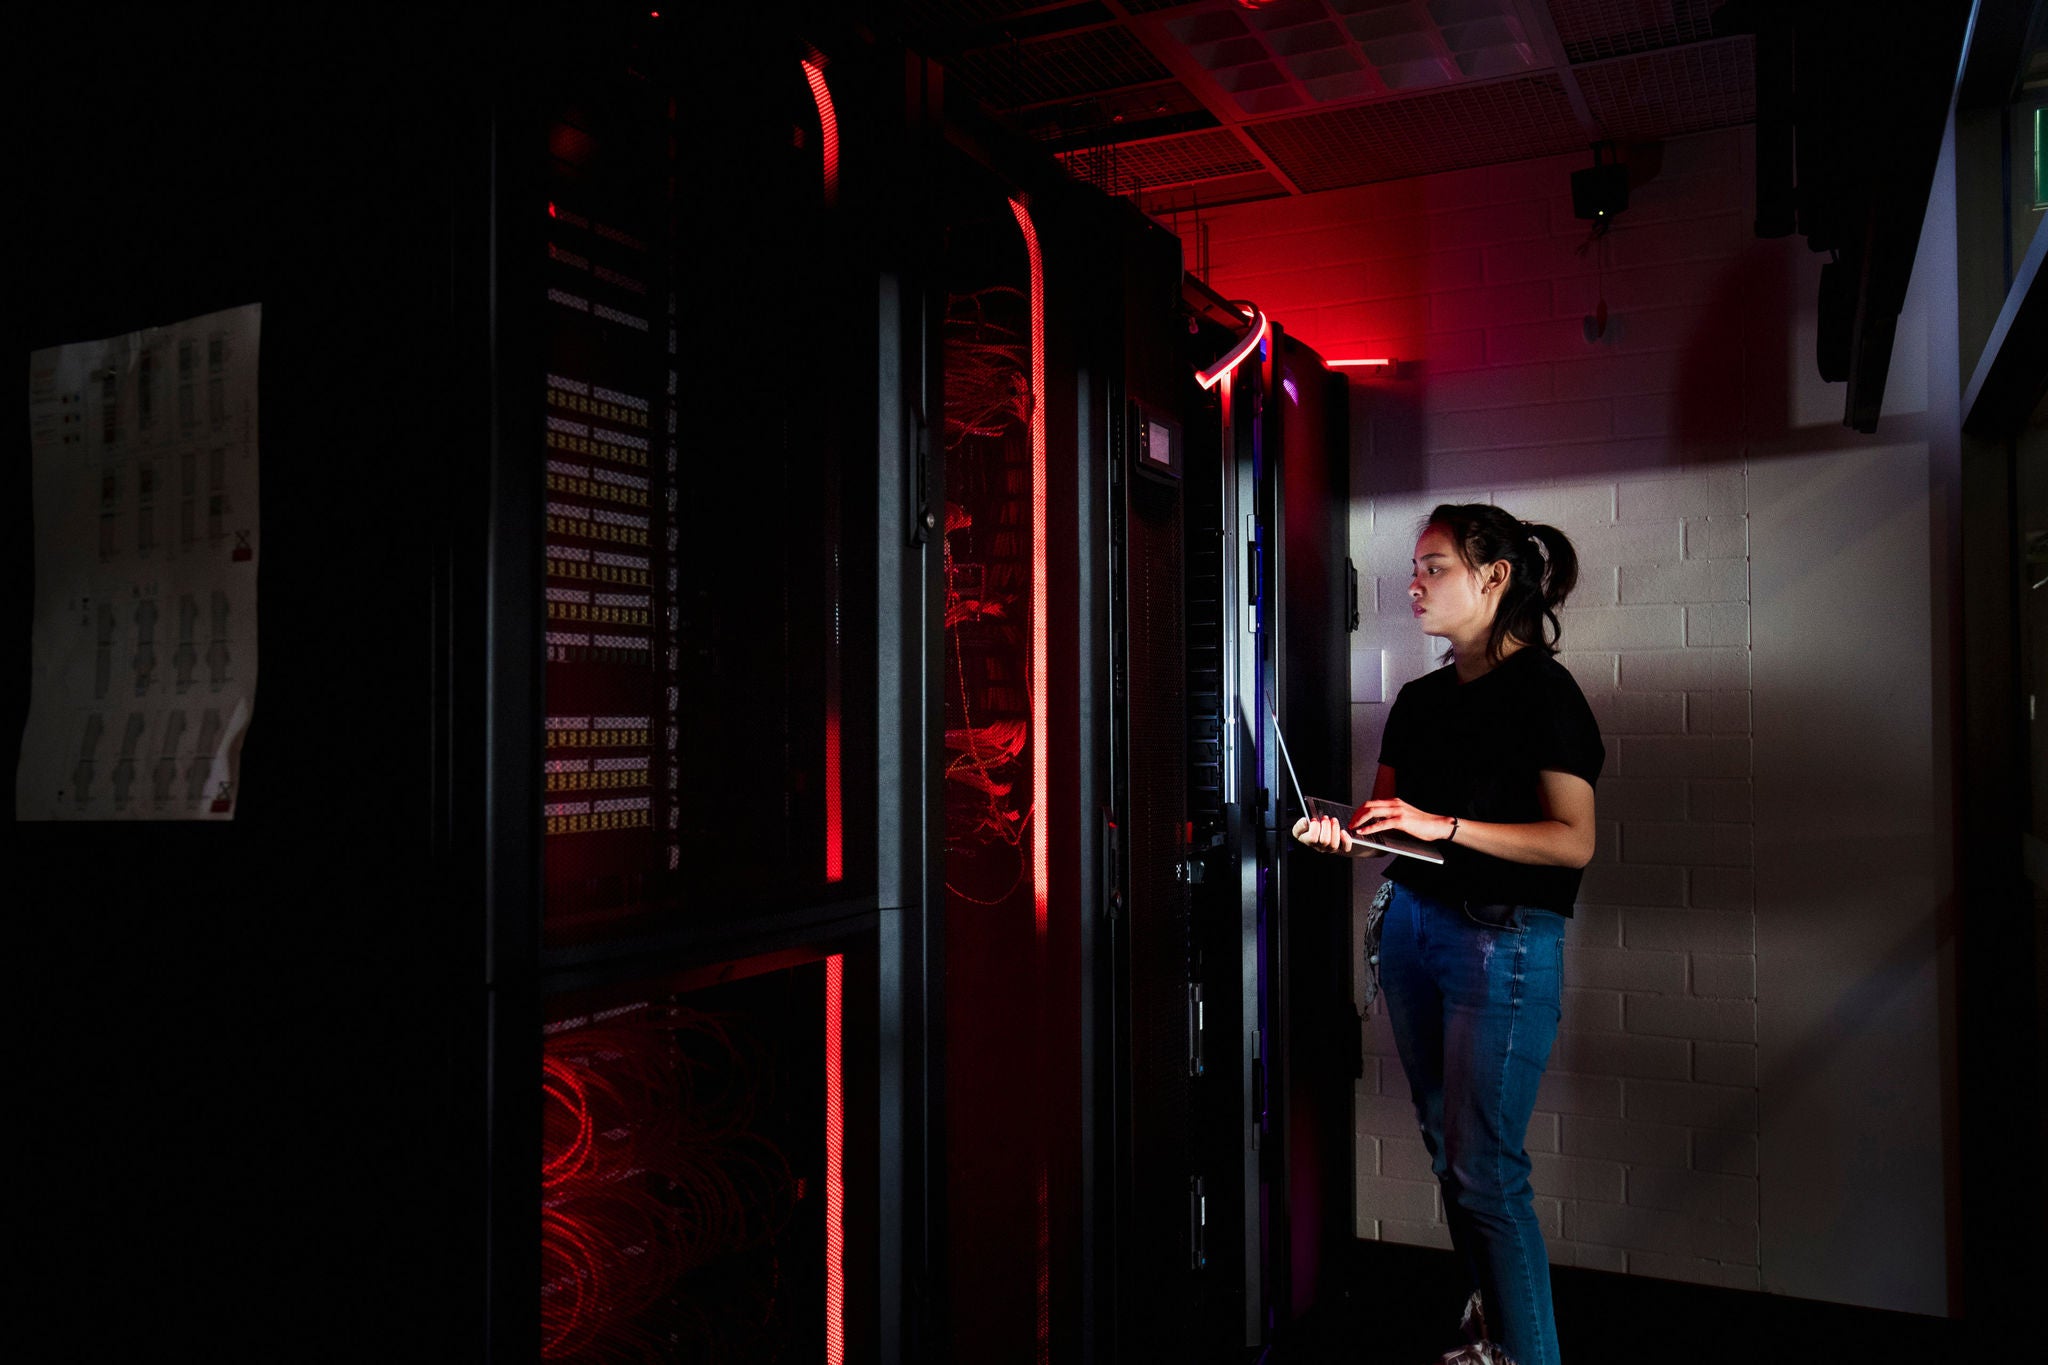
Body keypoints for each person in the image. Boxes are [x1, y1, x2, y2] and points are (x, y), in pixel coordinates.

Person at [1294, 503, 1603, 1365]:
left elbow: (1572, 838)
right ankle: (1492, 1338)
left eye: (1433, 566)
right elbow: (1390, 823)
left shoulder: (1546, 690)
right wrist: (1342, 832)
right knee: (1449, 1152)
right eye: (1416, 567)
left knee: (1488, 1174)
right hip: (1415, 932)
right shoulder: (1421, 697)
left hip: (1502, 942)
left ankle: (1522, 1352)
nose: (1413, 582)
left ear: (1494, 577)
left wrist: (1445, 825)